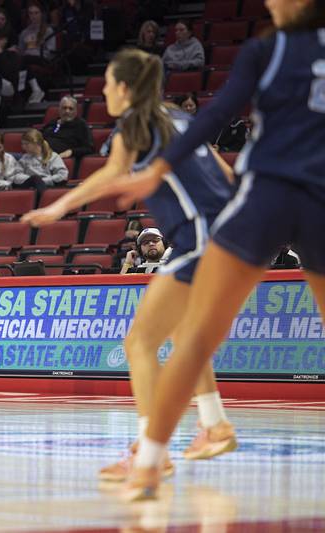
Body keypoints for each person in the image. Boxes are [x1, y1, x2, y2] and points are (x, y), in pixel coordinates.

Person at [104, 0, 325, 500]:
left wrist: (162, 166)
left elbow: (218, 115)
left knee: (196, 335)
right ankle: (180, 444)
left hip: (266, 198)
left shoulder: (266, 49)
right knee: (193, 332)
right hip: (306, 199)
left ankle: (153, 461)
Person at [20, 48, 237, 489]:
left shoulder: (134, 127)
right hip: (229, 235)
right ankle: (212, 426)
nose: (101, 91)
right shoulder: (177, 117)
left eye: (105, 84)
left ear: (123, 89)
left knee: (140, 340)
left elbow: (110, 175)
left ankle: (150, 451)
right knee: (181, 334)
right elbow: (226, 177)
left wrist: (59, 205)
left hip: (200, 240)